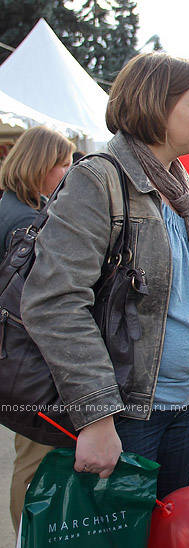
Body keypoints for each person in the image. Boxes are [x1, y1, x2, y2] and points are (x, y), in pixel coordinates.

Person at [20, 52, 189, 500]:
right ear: (155, 105)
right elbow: (54, 302)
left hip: (180, 402)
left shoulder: (179, 186)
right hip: (128, 411)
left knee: (166, 531)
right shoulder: (98, 180)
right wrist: (96, 418)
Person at [0, 125, 74, 534]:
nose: (67, 172)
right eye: (63, 164)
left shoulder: (11, 207)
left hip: (13, 354)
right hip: (27, 359)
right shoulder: (25, 221)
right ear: (40, 166)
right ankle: (26, 538)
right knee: (33, 463)